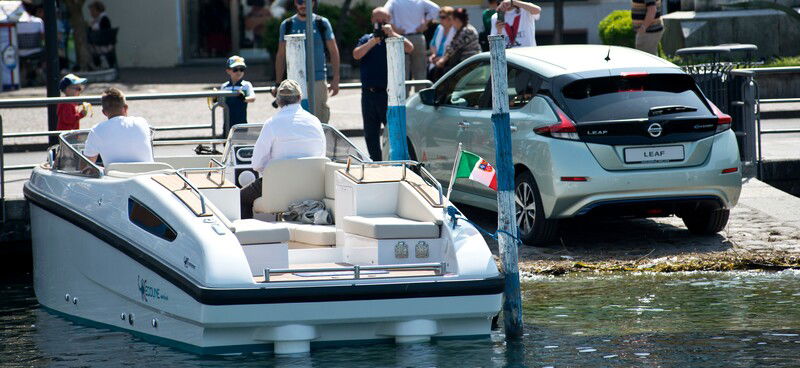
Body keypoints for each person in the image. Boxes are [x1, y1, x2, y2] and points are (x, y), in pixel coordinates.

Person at [240, 80, 326, 219]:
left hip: (278, 186)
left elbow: (256, 164)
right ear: (299, 98)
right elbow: (321, 155)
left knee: (241, 198)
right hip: (311, 186)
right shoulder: (315, 121)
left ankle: (248, 238)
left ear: (278, 101)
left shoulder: (272, 123)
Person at [353, 7, 414, 161]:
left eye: (384, 21)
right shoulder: (366, 39)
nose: (380, 24)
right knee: (370, 133)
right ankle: (376, 162)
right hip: (368, 93)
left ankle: (395, 159)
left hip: (388, 94)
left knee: (394, 130)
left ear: (389, 21)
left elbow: (410, 48)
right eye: (377, 21)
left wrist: (392, 33)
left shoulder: (393, 38)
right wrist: (373, 41)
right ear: (372, 21)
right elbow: (357, 54)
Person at [274, 0, 340, 124]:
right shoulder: (287, 24)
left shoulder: (322, 23)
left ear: (313, 3)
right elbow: (281, 55)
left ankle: (320, 143)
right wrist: (278, 82)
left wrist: (336, 78)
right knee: (295, 119)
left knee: (320, 119)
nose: (303, 5)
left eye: (307, 1)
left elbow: (333, 51)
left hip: (318, 78)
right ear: (295, 3)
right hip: (294, 81)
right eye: (300, 1)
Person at [83, 88, 154, 165]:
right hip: (147, 175)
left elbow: (86, 166)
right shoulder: (142, 122)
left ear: (104, 112)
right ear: (126, 108)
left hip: (116, 176)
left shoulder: (96, 130)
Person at [384, 0, 439, 87]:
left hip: (400, 38)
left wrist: (393, 27)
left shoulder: (393, 1)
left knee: (402, 72)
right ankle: (420, 98)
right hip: (417, 37)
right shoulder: (420, 1)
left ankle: (403, 98)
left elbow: (385, 12)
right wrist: (425, 24)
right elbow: (436, 8)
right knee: (420, 71)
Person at [220, 55, 256, 138]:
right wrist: (216, 100)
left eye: (242, 69)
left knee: (241, 143)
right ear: (228, 70)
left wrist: (244, 98)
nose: (239, 72)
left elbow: (253, 98)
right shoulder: (224, 86)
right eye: (235, 69)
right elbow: (221, 104)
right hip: (227, 121)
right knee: (227, 144)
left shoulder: (246, 85)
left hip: (241, 120)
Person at [427, 6, 454, 82]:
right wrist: (434, 54)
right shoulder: (439, 28)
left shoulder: (455, 30)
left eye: (443, 17)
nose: (440, 19)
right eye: (440, 17)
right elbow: (432, 44)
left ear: (450, 18)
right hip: (437, 60)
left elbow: (454, 49)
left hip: (448, 61)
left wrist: (441, 58)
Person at [87, 1, 116, 68]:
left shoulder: (103, 19)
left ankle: (96, 66)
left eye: (92, 11)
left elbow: (102, 33)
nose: (91, 13)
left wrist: (90, 27)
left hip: (104, 45)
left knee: (89, 48)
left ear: (97, 10)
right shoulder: (97, 19)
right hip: (102, 43)